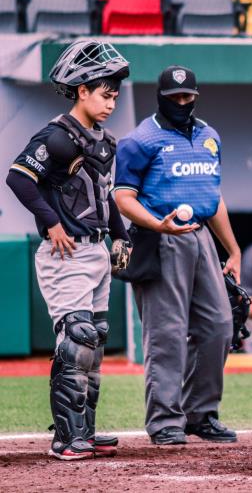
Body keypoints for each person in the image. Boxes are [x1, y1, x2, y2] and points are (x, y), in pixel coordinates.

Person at [5, 40, 130, 460]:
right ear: (81, 90)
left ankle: (85, 432)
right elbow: (19, 177)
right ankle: (65, 438)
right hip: (65, 253)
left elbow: (105, 195)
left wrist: (121, 236)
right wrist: (51, 221)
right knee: (75, 338)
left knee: (94, 341)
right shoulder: (56, 136)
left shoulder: (103, 140)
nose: (111, 102)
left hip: (94, 251)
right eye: (104, 94)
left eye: (114, 95)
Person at [113, 65, 239, 445]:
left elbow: (212, 197)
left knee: (219, 325)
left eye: (188, 97)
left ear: (195, 97)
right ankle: (165, 420)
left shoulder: (209, 136)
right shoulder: (140, 140)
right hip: (160, 238)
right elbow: (121, 197)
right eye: (175, 98)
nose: (182, 103)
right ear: (161, 98)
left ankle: (200, 414)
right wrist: (158, 225)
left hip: (200, 236)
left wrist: (232, 248)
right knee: (166, 333)